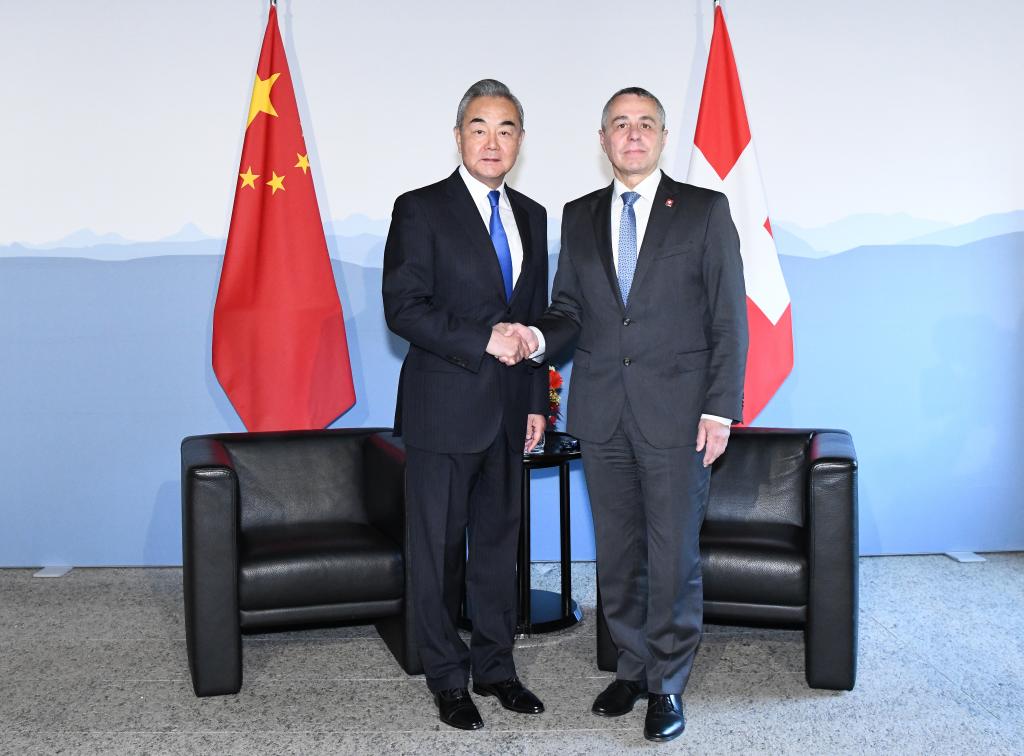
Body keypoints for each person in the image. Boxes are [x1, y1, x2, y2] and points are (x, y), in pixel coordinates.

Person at [510, 87, 747, 743]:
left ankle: (667, 686)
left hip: (679, 417)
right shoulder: (579, 215)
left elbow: (729, 319)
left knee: (672, 558)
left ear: (663, 137)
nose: (633, 134)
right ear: (603, 138)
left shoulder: (703, 211)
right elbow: (568, 311)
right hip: (603, 414)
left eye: (645, 124)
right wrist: (534, 339)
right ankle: (634, 667)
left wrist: (720, 409)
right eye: (621, 124)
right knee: (617, 557)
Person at [382, 79, 549, 731]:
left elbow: (531, 317)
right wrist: (481, 339)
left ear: (520, 142)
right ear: (458, 137)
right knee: (438, 552)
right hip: (443, 411)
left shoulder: (532, 214)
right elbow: (405, 309)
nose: (492, 140)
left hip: (509, 413)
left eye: (505, 129)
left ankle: (496, 670)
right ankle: (448, 681)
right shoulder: (421, 209)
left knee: (498, 552)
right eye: (478, 127)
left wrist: (536, 398)